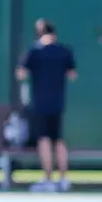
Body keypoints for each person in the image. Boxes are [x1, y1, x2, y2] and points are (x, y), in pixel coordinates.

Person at [15, 18, 78, 192]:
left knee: (44, 139)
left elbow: (20, 73)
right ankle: (64, 179)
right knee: (58, 139)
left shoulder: (34, 51)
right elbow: (72, 74)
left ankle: (48, 178)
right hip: (58, 102)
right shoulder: (64, 52)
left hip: (40, 103)